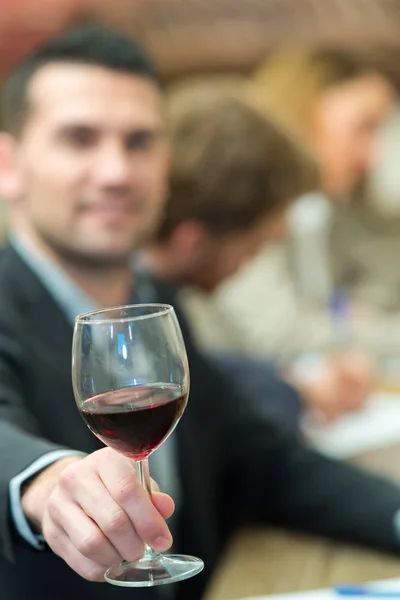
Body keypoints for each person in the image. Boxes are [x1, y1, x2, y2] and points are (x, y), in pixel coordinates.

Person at [1, 26, 400, 600]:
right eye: (79, 138)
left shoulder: (158, 310)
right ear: (9, 165)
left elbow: (270, 464)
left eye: (139, 142)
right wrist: (47, 481)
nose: (115, 171)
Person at [144, 79, 374, 426]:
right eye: (255, 247)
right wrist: (292, 392)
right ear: (192, 241)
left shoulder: (170, 296)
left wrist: (291, 381)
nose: (253, 261)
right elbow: (214, 395)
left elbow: (222, 369)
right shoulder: (144, 318)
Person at [187, 48, 397, 360]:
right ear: (302, 118)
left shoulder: (334, 209)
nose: (371, 156)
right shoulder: (243, 211)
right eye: (362, 128)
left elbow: (383, 287)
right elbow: (284, 336)